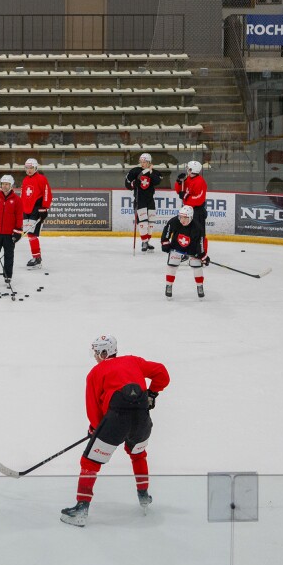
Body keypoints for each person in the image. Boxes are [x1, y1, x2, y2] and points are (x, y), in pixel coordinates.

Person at [60, 335, 169, 528]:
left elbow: (93, 408)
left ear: (104, 353)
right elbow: (161, 372)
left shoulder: (95, 372)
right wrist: (152, 393)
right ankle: (144, 496)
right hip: (142, 420)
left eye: (96, 352)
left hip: (116, 421)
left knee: (90, 462)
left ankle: (81, 509)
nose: (94, 356)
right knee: (138, 455)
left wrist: (95, 428)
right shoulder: (133, 361)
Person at [159, 204, 209, 299]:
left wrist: (202, 255)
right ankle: (169, 285)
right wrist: (165, 242)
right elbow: (167, 230)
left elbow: (201, 243)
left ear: (190, 217)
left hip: (192, 250)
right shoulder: (175, 221)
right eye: (181, 217)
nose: (182, 220)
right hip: (176, 247)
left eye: (185, 218)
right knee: (172, 265)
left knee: (197, 265)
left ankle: (200, 286)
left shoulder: (197, 228)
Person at [19, 157, 52, 267]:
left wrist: (44, 208)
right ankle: (36, 257)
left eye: (31, 168)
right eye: (27, 168)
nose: (29, 170)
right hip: (26, 210)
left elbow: (47, 193)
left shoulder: (42, 179)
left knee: (32, 234)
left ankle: (37, 258)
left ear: (36, 167)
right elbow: (23, 196)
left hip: (36, 209)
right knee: (30, 234)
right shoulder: (25, 180)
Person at [124, 152, 161, 251]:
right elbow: (127, 184)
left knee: (151, 222)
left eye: (144, 162)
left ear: (149, 162)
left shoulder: (154, 172)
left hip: (150, 200)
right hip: (139, 200)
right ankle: (144, 242)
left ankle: (147, 241)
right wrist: (134, 183)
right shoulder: (135, 171)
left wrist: (150, 171)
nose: (142, 163)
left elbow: (157, 181)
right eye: (141, 161)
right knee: (143, 222)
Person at [174, 160, 208, 234]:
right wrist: (179, 182)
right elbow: (178, 191)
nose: (187, 169)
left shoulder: (200, 182)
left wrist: (185, 196)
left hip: (197, 211)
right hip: (186, 209)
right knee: (186, 231)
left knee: (198, 231)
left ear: (192, 170)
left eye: (188, 168)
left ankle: (200, 245)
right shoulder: (188, 178)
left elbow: (199, 199)